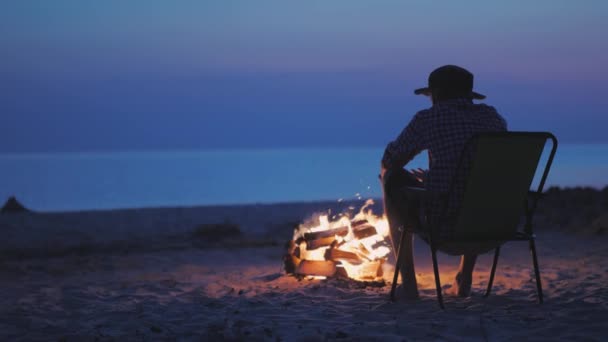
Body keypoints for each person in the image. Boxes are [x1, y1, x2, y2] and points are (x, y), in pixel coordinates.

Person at [380, 65, 507, 299]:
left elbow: (390, 160)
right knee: (475, 185)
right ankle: (464, 276)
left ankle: (408, 287)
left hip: (446, 228)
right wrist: (433, 178)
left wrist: (418, 182)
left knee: (391, 178)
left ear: (435, 95)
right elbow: (476, 170)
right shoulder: (493, 118)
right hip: (496, 227)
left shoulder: (429, 118)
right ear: (469, 95)